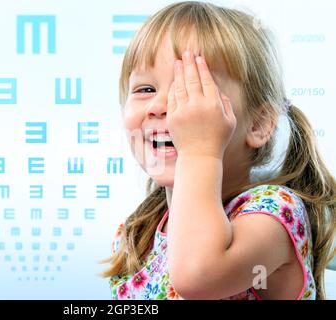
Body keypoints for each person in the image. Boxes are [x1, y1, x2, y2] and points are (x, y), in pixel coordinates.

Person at [99, 1, 335, 300]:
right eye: (146, 89)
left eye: (193, 90)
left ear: (258, 124)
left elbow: (199, 276)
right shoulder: (137, 235)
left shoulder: (272, 213)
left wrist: (199, 150)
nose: (160, 107)